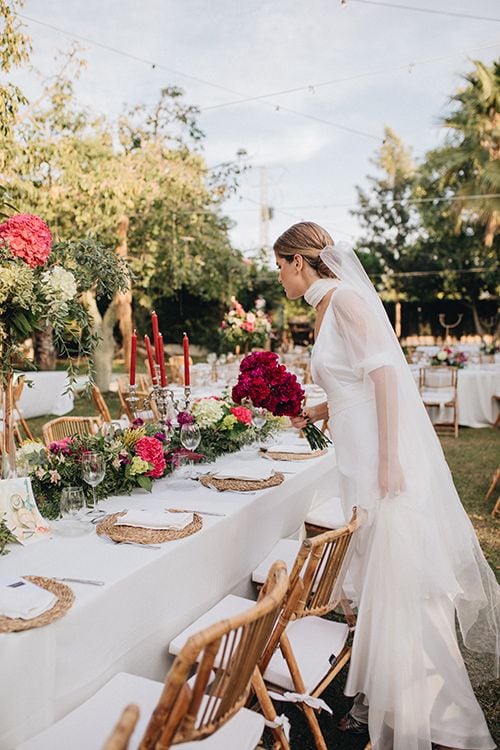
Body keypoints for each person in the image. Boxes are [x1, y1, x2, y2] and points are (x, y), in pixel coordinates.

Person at [274, 221, 499, 750]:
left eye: (281, 266)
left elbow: (386, 378)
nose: (279, 277)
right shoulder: (327, 307)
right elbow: (354, 381)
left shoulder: (347, 301)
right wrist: (320, 407)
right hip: (354, 457)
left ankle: (443, 721)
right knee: (377, 584)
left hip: (380, 462)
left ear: (300, 263)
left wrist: (389, 464)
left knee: (404, 584)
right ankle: (382, 698)